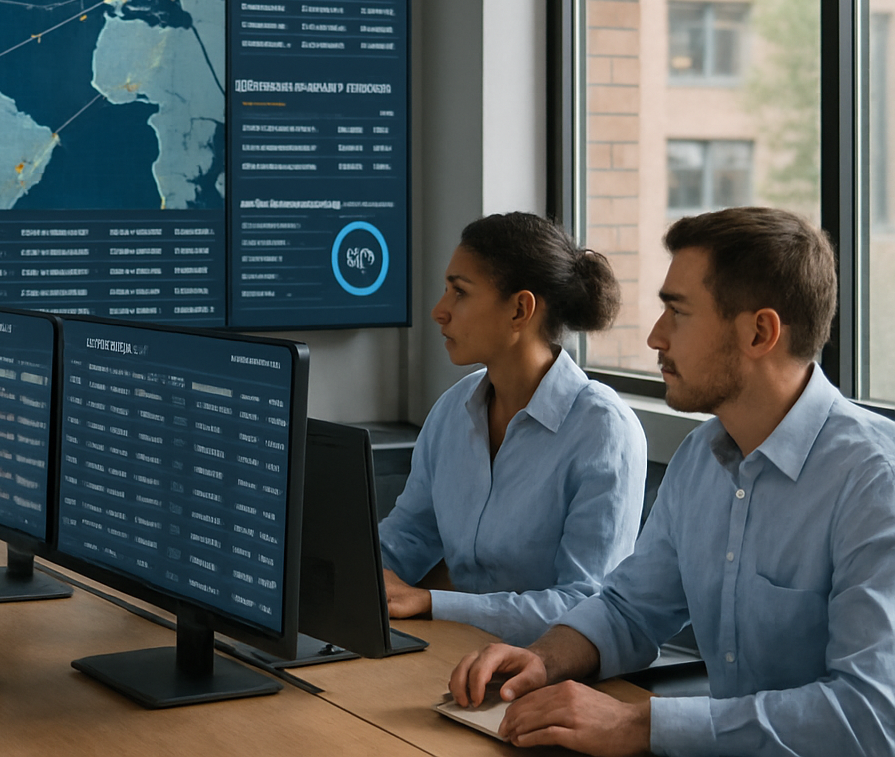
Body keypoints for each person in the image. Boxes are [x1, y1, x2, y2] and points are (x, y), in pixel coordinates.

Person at [448, 207, 895, 757]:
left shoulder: (876, 483)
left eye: (677, 313)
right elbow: (629, 608)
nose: (656, 337)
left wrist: (638, 726)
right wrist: (542, 658)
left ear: (760, 332)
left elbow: (869, 716)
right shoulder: (701, 457)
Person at [378, 212, 646, 645]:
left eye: (459, 292)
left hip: (553, 674)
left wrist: (432, 603)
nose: (439, 311)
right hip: (458, 655)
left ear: (520, 309)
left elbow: (585, 605)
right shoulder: (453, 410)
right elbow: (408, 535)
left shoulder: (603, 431)